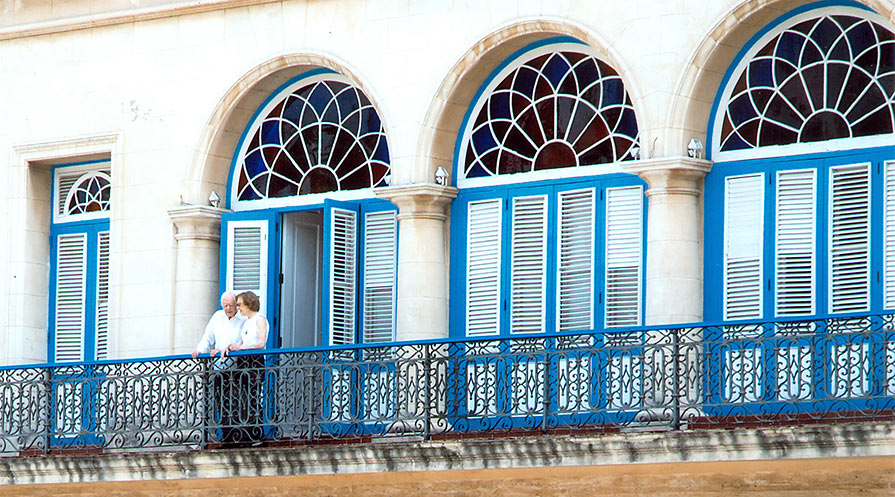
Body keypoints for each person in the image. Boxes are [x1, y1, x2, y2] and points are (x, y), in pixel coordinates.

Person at [193, 291, 245, 445]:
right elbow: (207, 337)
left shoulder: (243, 319)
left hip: (238, 368)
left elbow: (245, 340)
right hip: (219, 368)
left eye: (230, 305)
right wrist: (199, 351)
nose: (228, 308)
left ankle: (240, 436)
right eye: (225, 306)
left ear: (236, 304)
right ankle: (227, 436)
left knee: (238, 401)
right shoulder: (217, 317)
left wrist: (228, 349)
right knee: (222, 402)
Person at [226, 291, 268, 445]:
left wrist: (242, 348)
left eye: (239, 304)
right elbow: (241, 343)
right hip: (243, 360)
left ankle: (256, 434)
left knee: (253, 397)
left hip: (254, 360)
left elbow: (261, 343)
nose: (238, 308)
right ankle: (244, 433)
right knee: (242, 397)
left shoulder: (260, 319)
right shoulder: (245, 322)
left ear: (249, 304)